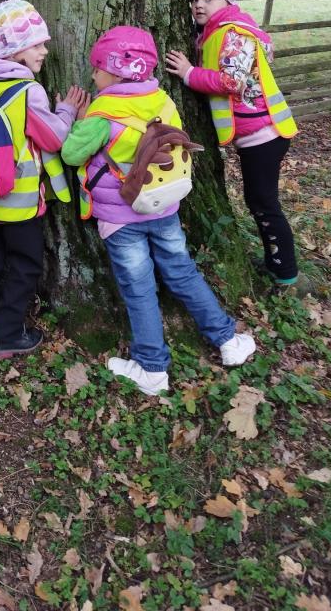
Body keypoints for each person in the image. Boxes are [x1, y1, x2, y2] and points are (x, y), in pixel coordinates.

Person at [61, 26, 255, 396]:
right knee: (183, 273)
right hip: (164, 209)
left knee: (139, 290)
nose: (93, 75)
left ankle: (151, 368)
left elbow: (72, 155)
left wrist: (81, 120)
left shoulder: (102, 114)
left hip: (121, 219)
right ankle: (228, 340)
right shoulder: (163, 101)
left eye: (98, 69)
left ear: (116, 73)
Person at [0, 0, 87, 361]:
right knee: (25, 266)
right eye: (37, 44)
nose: (44, 51)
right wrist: (67, 111)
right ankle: (7, 334)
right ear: (15, 49)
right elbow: (53, 138)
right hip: (17, 205)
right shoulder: (28, 92)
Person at [165, 0, 299, 286]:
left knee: (264, 203)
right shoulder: (214, 33)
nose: (199, 4)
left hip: (264, 136)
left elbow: (231, 81)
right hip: (257, 136)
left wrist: (188, 73)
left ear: (227, 0)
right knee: (259, 201)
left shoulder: (233, 34)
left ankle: (284, 271)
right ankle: (277, 262)